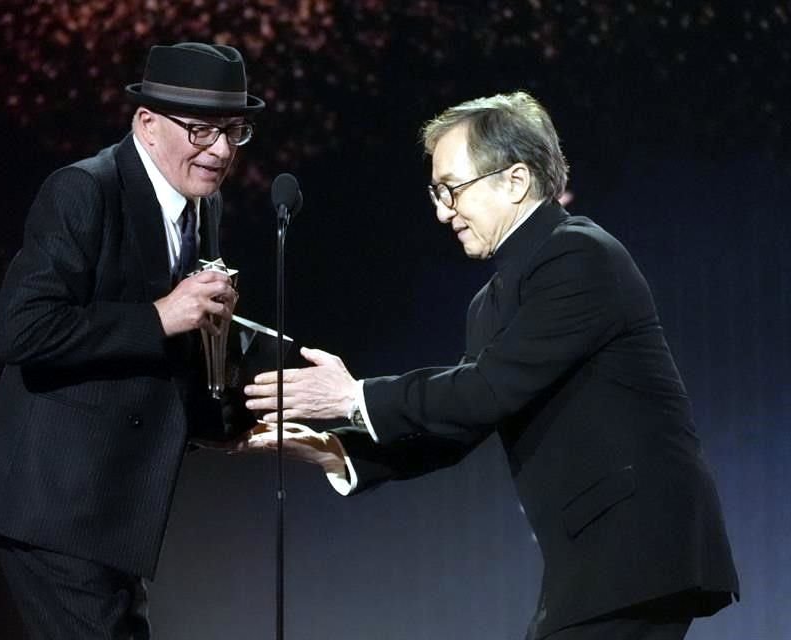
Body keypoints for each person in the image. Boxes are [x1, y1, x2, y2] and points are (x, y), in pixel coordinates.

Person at [241, 92, 739, 639]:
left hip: (638, 549)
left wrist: (352, 396)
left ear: (515, 180)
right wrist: (333, 449)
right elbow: (459, 423)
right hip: (594, 565)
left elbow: (486, 389)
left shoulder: (579, 256)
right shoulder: (493, 300)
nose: (441, 211)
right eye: (436, 192)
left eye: (452, 189)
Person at [0, 42, 262, 639]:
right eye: (202, 131)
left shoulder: (204, 204)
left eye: (234, 131)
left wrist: (228, 409)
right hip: (53, 500)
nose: (221, 151)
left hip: (117, 505)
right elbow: (23, 329)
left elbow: (174, 338)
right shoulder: (83, 191)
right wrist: (158, 316)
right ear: (147, 124)